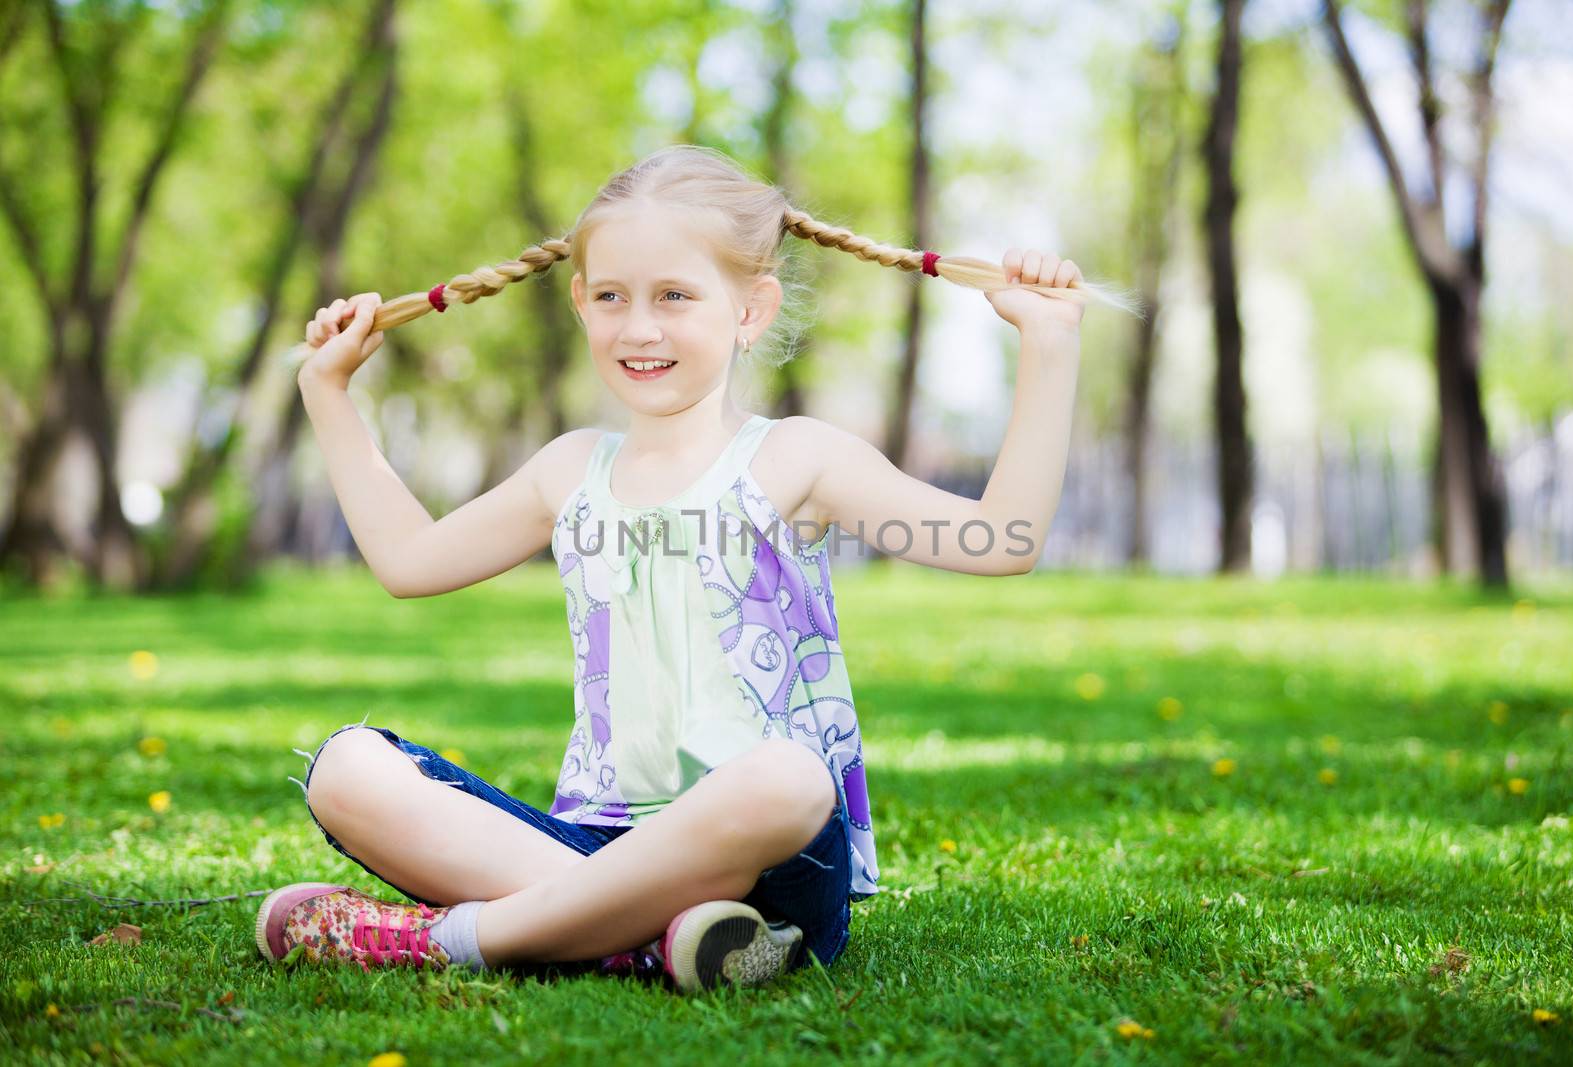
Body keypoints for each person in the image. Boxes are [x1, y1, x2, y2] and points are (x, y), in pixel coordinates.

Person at [255, 144, 1134, 992]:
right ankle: (651, 940)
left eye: (675, 295)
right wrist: (326, 396)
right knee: (346, 766)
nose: (640, 327)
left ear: (750, 310)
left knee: (789, 774)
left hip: (773, 864)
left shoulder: (794, 460)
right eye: (612, 296)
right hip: (595, 841)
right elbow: (409, 561)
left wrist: (1050, 347)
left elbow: (1002, 540)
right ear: (579, 304)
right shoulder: (570, 472)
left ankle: (454, 939)